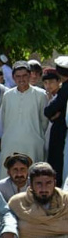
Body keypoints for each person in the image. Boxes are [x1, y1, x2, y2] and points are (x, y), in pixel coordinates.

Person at [9, 162, 68, 238]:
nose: (44, 189)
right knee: (17, 228)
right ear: (30, 184)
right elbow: (6, 220)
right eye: (39, 184)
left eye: (48, 183)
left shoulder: (65, 200)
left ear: (55, 183)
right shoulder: (18, 202)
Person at [0, 61, 49, 178]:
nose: (21, 79)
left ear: (30, 75)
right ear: (13, 77)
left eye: (24, 75)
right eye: (18, 76)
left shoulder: (41, 95)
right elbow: (4, 119)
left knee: (33, 175)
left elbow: (44, 121)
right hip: (10, 142)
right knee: (9, 174)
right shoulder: (7, 95)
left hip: (33, 143)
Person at [46, 56, 68, 185]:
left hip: (61, 132)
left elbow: (49, 110)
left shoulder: (65, 89)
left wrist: (53, 115)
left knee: (59, 166)